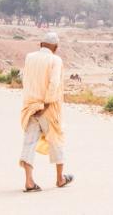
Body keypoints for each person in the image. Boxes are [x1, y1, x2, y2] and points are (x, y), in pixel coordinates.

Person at [19, 32, 73, 192]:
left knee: (29, 142)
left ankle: (29, 182)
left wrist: (33, 103)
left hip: (30, 107)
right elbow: (54, 82)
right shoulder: (55, 60)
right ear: (56, 47)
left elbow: (25, 79)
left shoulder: (29, 57)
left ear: (40, 44)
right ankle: (60, 178)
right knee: (56, 139)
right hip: (48, 108)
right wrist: (46, 103)